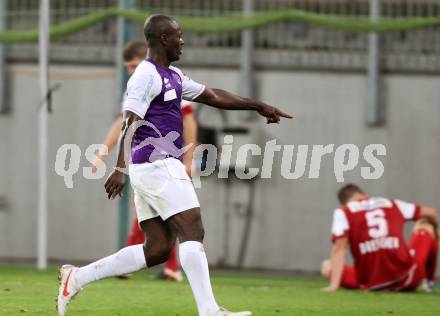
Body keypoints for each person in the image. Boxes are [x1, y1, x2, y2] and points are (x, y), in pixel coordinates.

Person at [56, 14, 292, 316]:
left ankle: (77, 278)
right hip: (156, 164)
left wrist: (259, 105)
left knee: (156, 249)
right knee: (192, 227)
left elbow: (214, 96)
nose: (182, 41)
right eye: (178, 35)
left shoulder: (174, 76)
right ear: (164, 39)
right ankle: (209, 311)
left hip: (154, 167)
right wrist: (120, 168)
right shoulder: (145, 75)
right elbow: (130, 120)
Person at [91, 41, 197, 282]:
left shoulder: (166, 80)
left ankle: (168, 268)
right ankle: (171, 269)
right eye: (128, 67)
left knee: (174, 219)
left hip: (169, 162)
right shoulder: (135, 87)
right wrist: (102, 153)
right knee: (162, 218)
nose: (131, 71)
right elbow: (123, 124)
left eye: (133, 65)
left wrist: (188, 159)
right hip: (147, 163)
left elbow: (189, 121)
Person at [321, 183, 438, 292]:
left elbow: (340, 248)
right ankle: (428, 281)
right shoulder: (391, 203)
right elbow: (431, 212)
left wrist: (333, 285)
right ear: (364, 195)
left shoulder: (344, 212)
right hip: (407, 278)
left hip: (371, 283)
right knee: (425, 223)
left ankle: (371, 282)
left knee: (327, 266)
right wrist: (436, 233)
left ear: (344, 203)